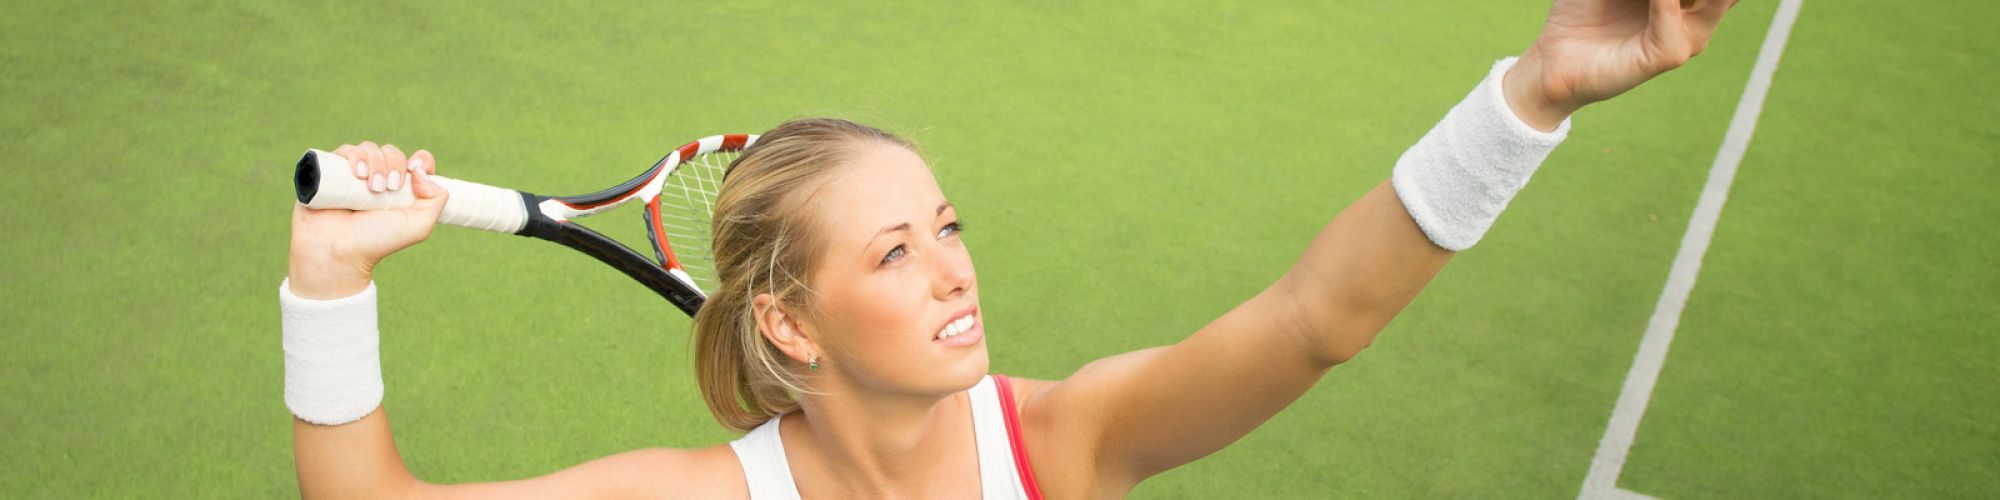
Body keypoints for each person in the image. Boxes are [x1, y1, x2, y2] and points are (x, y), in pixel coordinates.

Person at [280, 0, 1737, 497]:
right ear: (790, 324)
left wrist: (1532, 94)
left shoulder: (1063, 444)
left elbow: (1316, 319)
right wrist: (328, 283)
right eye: (897, 253)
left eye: (951, 229)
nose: (957, 270)